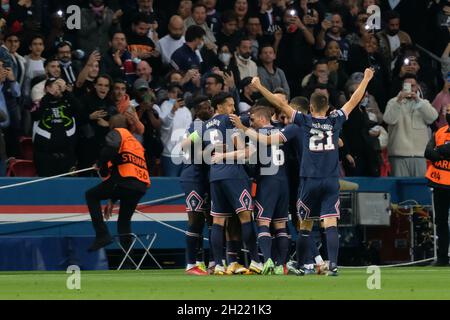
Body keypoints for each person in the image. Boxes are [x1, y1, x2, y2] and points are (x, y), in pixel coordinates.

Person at [248, 68, 374, 276]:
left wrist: (260, 86)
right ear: (326, 107)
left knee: (305, 224)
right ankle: (332, 265)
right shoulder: (335, 121)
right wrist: (367, 79)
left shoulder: (304, 122)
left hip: (309, 181)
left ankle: (301, 263)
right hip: (331, 180)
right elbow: (353, 99)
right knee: (330, 222)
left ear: (311, 107)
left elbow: (280, 104)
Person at [203, 91, 262, 275]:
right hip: (233, 174)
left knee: (218, 220)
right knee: (246, 217)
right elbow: (244, 152)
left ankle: (220, 264)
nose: (233, 109)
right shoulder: (229, 120)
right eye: (230, 105)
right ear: (219, 107)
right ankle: (255, 261)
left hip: (215, 174)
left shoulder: (204, 125)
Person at [86, 114, 150, 252]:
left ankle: (102, 235)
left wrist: (99, 163)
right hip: (140, 186)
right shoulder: (134, 142)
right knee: (124, 221)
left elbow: (110, 149)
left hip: (124, 181)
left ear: (112, 126)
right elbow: (122, 163)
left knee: (91, 195)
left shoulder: (117, 133)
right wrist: (112, 199)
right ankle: (128, 262)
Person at [180, 95, 214, 275]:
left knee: (210, 219)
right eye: (205, 107)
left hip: (206, 177)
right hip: (193, 177)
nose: (209, 110)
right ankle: (191, 264)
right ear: (196, 111)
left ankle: (209, 262)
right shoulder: (196, 127)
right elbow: (183, 146)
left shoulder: (209, 126)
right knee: (195, 221)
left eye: (210, 107)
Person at [383, 74, 438, 177]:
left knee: (419, 189)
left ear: (417, 87)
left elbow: (433, 117)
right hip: (398, 155)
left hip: (420, 155)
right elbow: (388, 119)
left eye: (413, 85)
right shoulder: (393, 102)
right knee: (400, 190)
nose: (411, 88)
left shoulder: (423, 103)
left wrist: (418, 101)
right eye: (407, 85)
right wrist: (399, 101)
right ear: (402, 87)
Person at [31, 78, 79, 177]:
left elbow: (80, 111)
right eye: (54, 85)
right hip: (45, 157)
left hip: (67, 156)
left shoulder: (68, 103)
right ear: (46, 89)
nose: (58, 88)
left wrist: (66, 93)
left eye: (60, 85)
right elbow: (35, 115)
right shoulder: (40, 103)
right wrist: (49, 95)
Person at [424, 108, 450, 266]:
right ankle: (442, 258)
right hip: (439, 182)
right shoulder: (439, 132)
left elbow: (443, 150)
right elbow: (428, 152)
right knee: (440, 221)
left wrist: (439, 151)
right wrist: (440, 152)